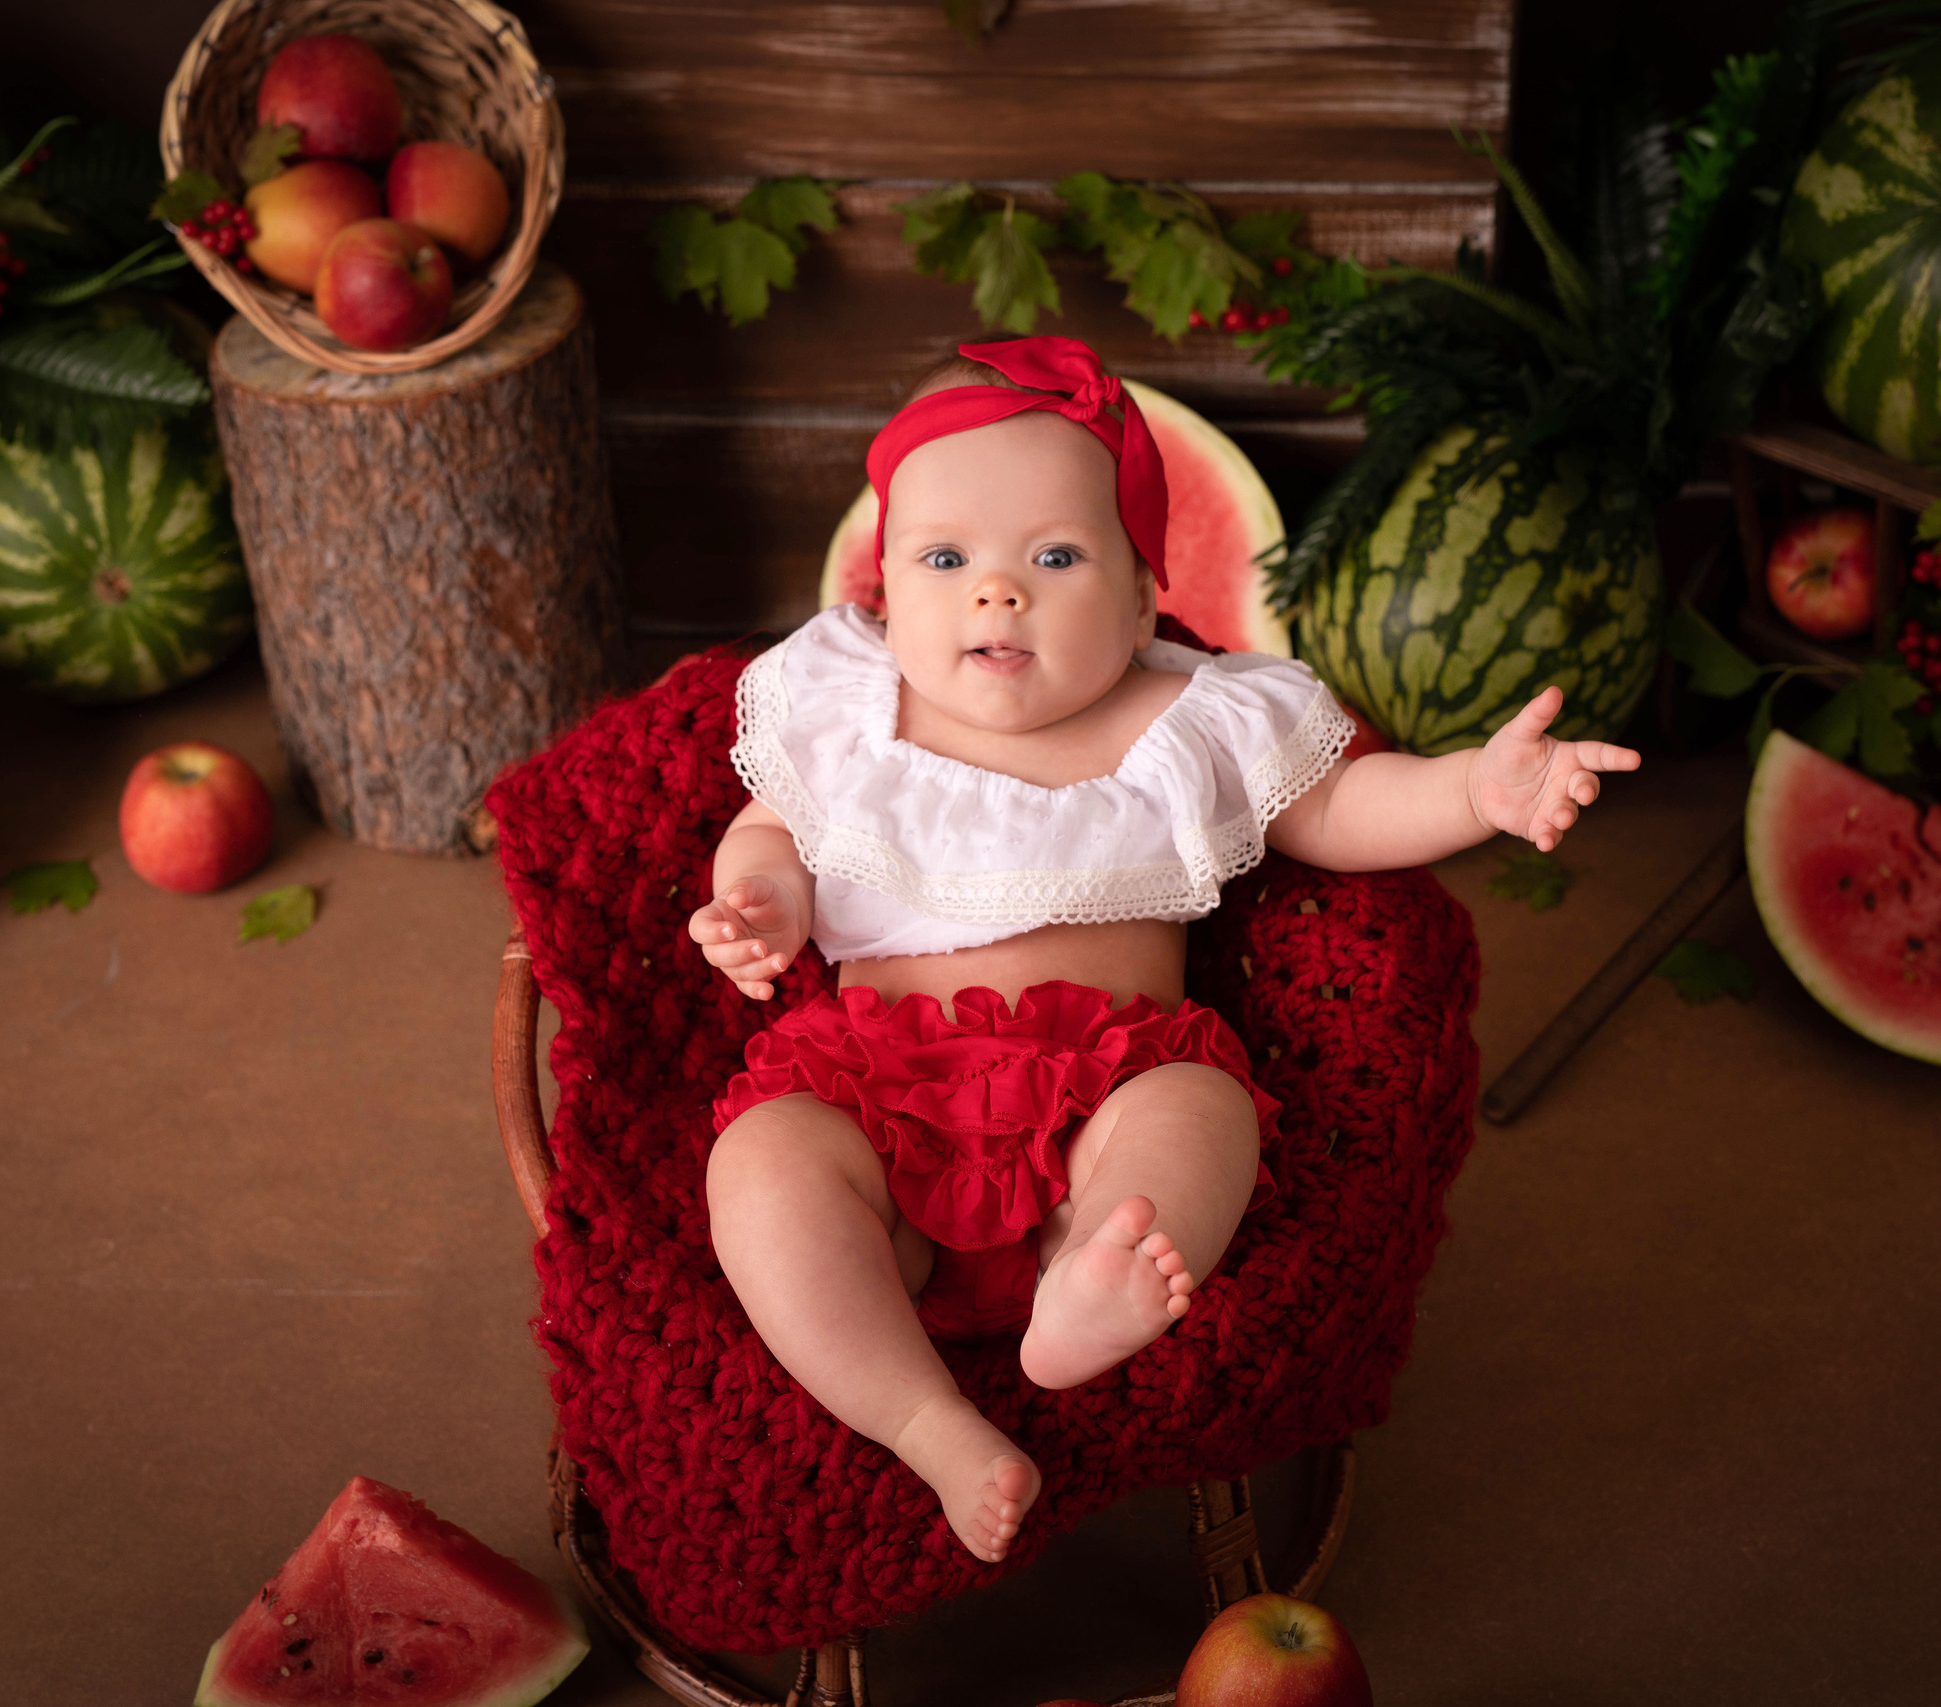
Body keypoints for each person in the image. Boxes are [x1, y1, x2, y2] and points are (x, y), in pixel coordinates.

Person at [692, 336, 1639, 1564]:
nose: (997, 592)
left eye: (1055, 557)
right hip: (878, 1092)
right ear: (885, 591)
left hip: (1104, 1087)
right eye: (945, 559)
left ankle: (1084, 1286)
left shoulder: (1193, 718)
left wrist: (1472, 790)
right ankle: (925, 1421)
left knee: (1200, 1112)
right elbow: (770, 829)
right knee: (762, 1165)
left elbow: (1337, 809)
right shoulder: (848, 710)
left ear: (1143, 599)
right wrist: (758, 904)